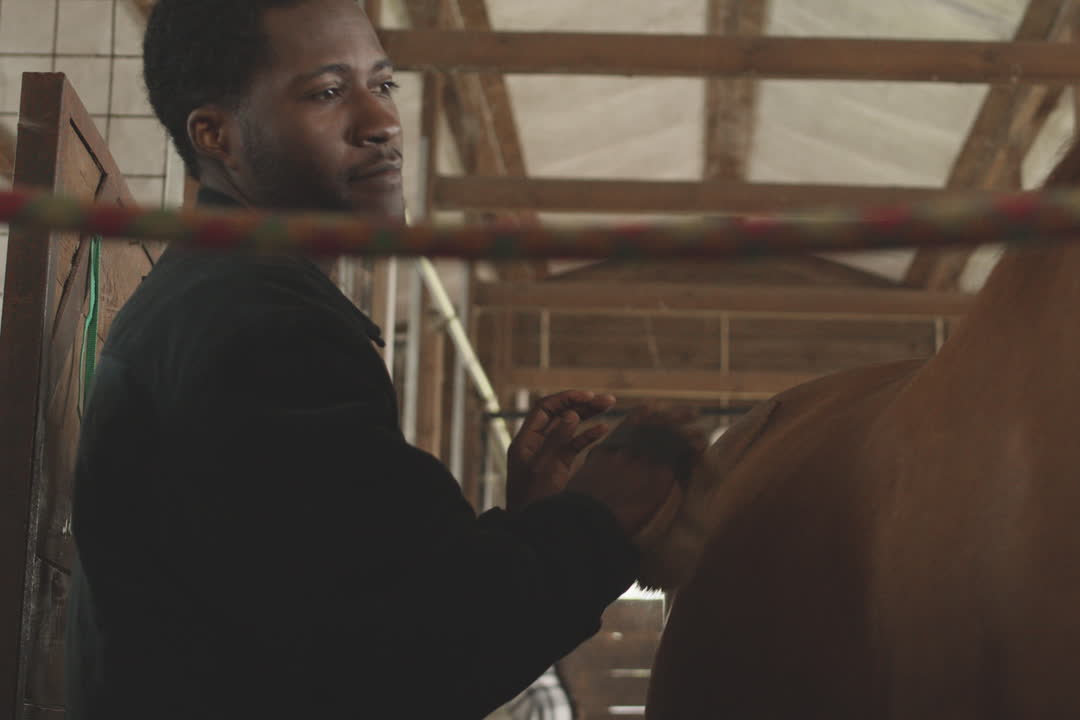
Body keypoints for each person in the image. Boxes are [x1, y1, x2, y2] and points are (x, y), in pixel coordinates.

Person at [64, 1, 702, 718]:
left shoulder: (215, 295)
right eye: (328, 92)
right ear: (217, 135)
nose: (382, 122)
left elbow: (327, 603)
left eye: (383, 85)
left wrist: (530, 521)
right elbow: (414, 651)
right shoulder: (264, 328)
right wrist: (599, 515)